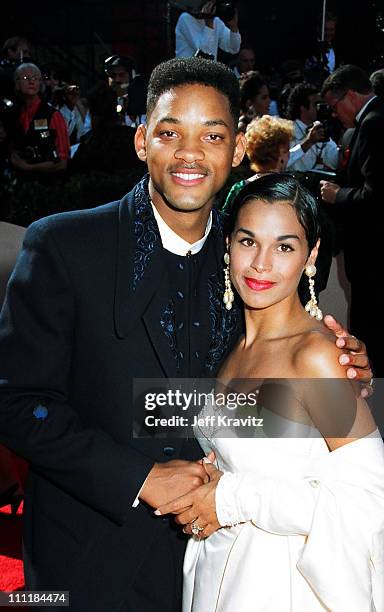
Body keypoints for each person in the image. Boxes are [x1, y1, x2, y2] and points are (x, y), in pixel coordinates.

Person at [0, 58, 371, 612]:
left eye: (213, 135)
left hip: (216, 564)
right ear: (142, 140)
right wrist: (137, 476)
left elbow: (262, 387)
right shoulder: (65, 246)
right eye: (171, 132)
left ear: (238, 147)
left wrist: (330, 365)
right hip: (89, 563)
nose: (191, 153)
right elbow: (14, 399)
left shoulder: (247, 256)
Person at [155, 174, 384, 612]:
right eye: (247, 241)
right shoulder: (228, 345)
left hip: (285, 583)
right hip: (216, 570)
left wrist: (231, 497)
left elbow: (371, 501)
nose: (261, 264)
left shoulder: (316, 356)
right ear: (227, 245)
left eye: (284, 246)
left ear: (311, 254)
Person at [320, 64, 384, 377]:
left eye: (334, 106)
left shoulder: (374, 124)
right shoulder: (369, 124)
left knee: (372, 335)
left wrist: (337, 195)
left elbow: (375, 195)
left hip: (375, 254)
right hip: (370, 254)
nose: (334, 114)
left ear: (351, 96)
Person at [10, 63, 70, 180]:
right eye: (26, 78)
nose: (31, 82)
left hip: (49, 184)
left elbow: (63, 162)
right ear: (17, 84)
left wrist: (28, 167)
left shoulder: (53, 115)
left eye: (36, 78)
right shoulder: (14, 114)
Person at [286, 82, 339, 172]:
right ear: (303, 108)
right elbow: (281, 163)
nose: (319, 108)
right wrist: (307, 143)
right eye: (316, 104)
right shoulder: (287, 131)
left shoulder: (320, 128)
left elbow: (335, 162)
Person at [175, 1, 241, 61]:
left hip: (209, 72)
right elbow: (204, 53)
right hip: (187, 72)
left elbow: (234, 48)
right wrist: (209, 23)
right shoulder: (185, 18)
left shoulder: (216, 21)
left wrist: (233, 27)